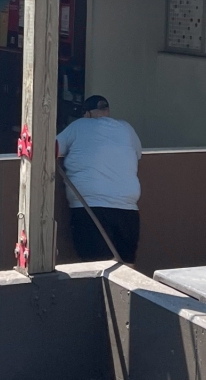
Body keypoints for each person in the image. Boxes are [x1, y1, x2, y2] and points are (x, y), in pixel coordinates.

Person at [56, 95, 142, 264]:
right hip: (128, 210)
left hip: (90, 208)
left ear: (87, 114)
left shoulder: (79, 125)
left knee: (95, 267)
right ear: (106, 111)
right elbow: (137, 154)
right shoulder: (126, 128)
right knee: (127, 268)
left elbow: (51, 148)